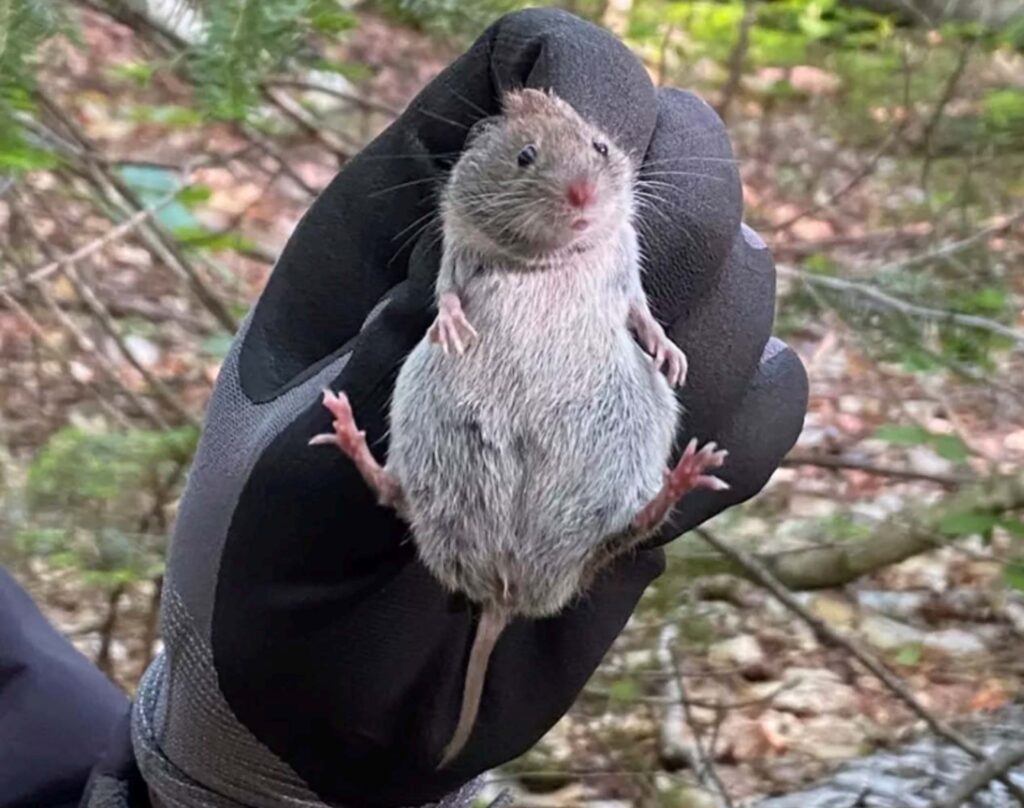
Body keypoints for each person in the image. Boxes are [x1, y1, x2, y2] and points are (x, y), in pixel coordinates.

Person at [1, 8, 807, 808]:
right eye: (536, 160)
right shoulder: (477, 204)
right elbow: (459, 253)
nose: (583, 185)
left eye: (599, 154)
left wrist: (193, 779)